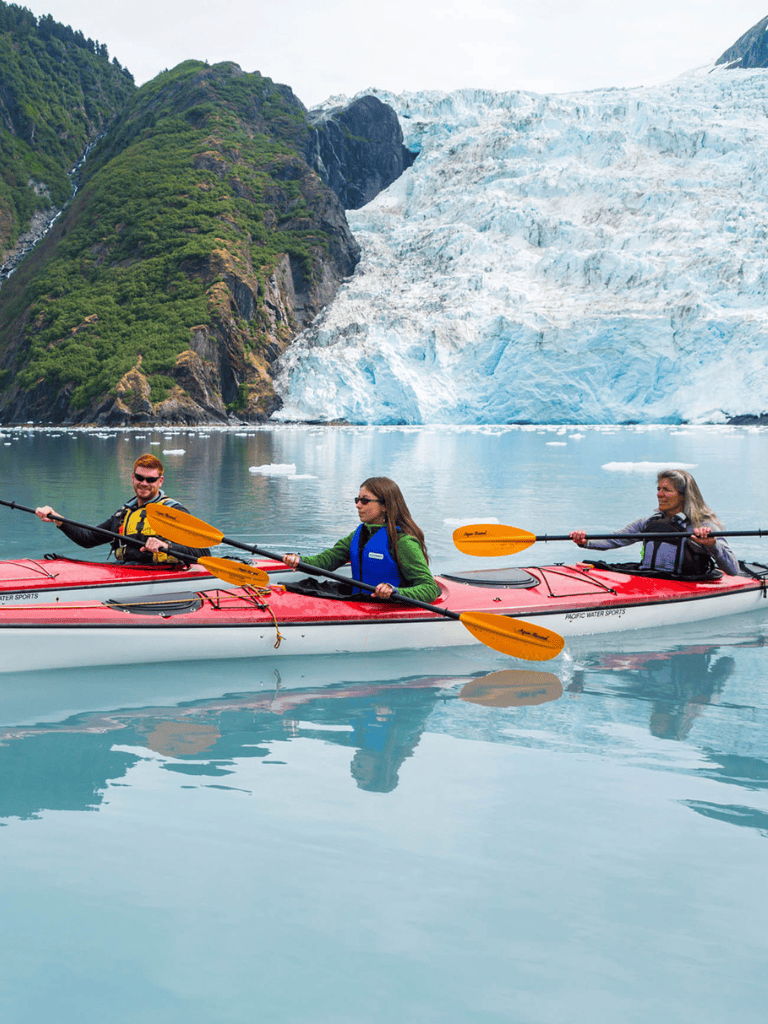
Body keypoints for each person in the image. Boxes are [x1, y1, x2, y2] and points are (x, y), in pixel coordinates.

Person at [282, 476, 440, 602]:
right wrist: (299, 561)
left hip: (389, 604)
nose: (358, 505)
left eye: (365, 500)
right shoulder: (360, 534)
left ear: (385, 506)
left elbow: (430, 588)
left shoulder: (404, 542)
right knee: (304, 586)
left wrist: (394, 591)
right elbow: (327, 561)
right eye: (357, 500)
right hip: (362, 599)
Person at [35, 454, 210, 567]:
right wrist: (56, 518)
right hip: (127, 573)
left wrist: (166, 546)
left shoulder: (174, 513)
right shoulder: (123, 515)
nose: (144, 484)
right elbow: (88, 539)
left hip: (164, 577)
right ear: (133, 478)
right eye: (140, 478)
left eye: (151, 480)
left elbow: (203, 552)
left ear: (160, 481)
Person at [569, 468, 739, 576]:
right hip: (651, 578)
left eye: (666, 490)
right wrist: (586, 541)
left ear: (683, 496)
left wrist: (712, 544)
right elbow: (616, 538)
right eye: (658, 489)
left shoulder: (702, 525)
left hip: (686, 583)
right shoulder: (649, 522)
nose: (659, 494)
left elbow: (733, 570)